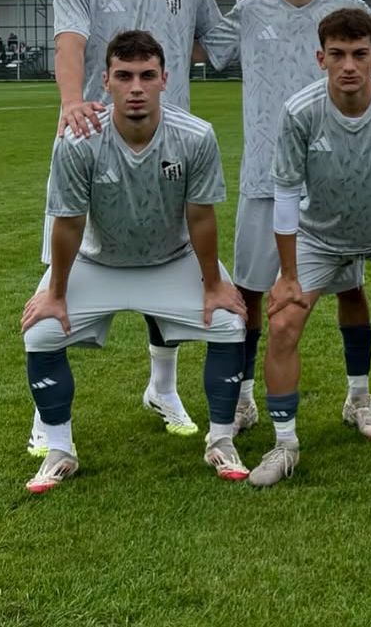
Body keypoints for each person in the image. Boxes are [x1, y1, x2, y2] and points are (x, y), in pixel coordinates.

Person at [29, 0, 223, 454]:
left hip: (171, 148)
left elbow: (222, 43)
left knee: (169, 260)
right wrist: (71, 102)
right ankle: (45, 417)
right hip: (91, 140)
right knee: (63, 268)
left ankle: (163, 389)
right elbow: (70, 42)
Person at [21, 31, 248, 493]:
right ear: (106, 81)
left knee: (228, 322)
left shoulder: (195, 135)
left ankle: (221, 441)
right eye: (124, 76)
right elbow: (68, 224)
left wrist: (212, 285)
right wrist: (56, 293)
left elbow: (201, 217)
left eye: (147, 75)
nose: (136, 88)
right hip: (97, 262)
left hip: (171, 260)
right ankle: (60, 449)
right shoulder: (79, 138)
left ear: (165, 79)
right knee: (41, 331)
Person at [200, 0, 371, 439]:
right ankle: (242, 398)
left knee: (350, 289)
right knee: (252, 290)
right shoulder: (249, 10)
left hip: (335, 176)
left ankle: (358, 396)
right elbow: (206, 47)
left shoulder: (348, 9)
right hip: (265, 174)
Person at [248, 8, 371, 486]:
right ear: (321, 58)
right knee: (283, 323)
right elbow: (286, 195)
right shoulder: (300, 111)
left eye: (359, 54)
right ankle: (285, 444)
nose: (349, 65)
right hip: (319, 235)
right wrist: (288, 276)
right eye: (337, 54)